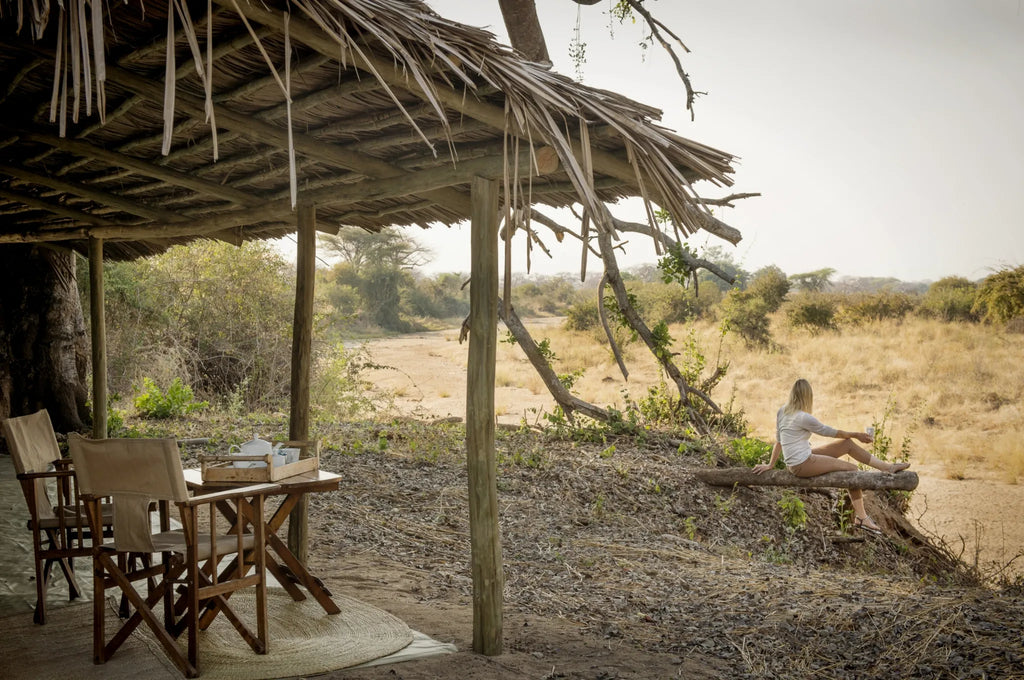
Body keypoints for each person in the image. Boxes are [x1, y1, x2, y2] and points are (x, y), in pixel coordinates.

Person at [752, 378, 910, 534]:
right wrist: (856, 434)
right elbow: (830, 432)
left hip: (802, 457)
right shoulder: (803, 417)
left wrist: (770, 464)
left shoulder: (782, 411)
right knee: (852, 470)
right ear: (808, 396)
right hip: (802, 464)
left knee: (846, 444)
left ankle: (888, 467)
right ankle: (861, 518)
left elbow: (778, 442)